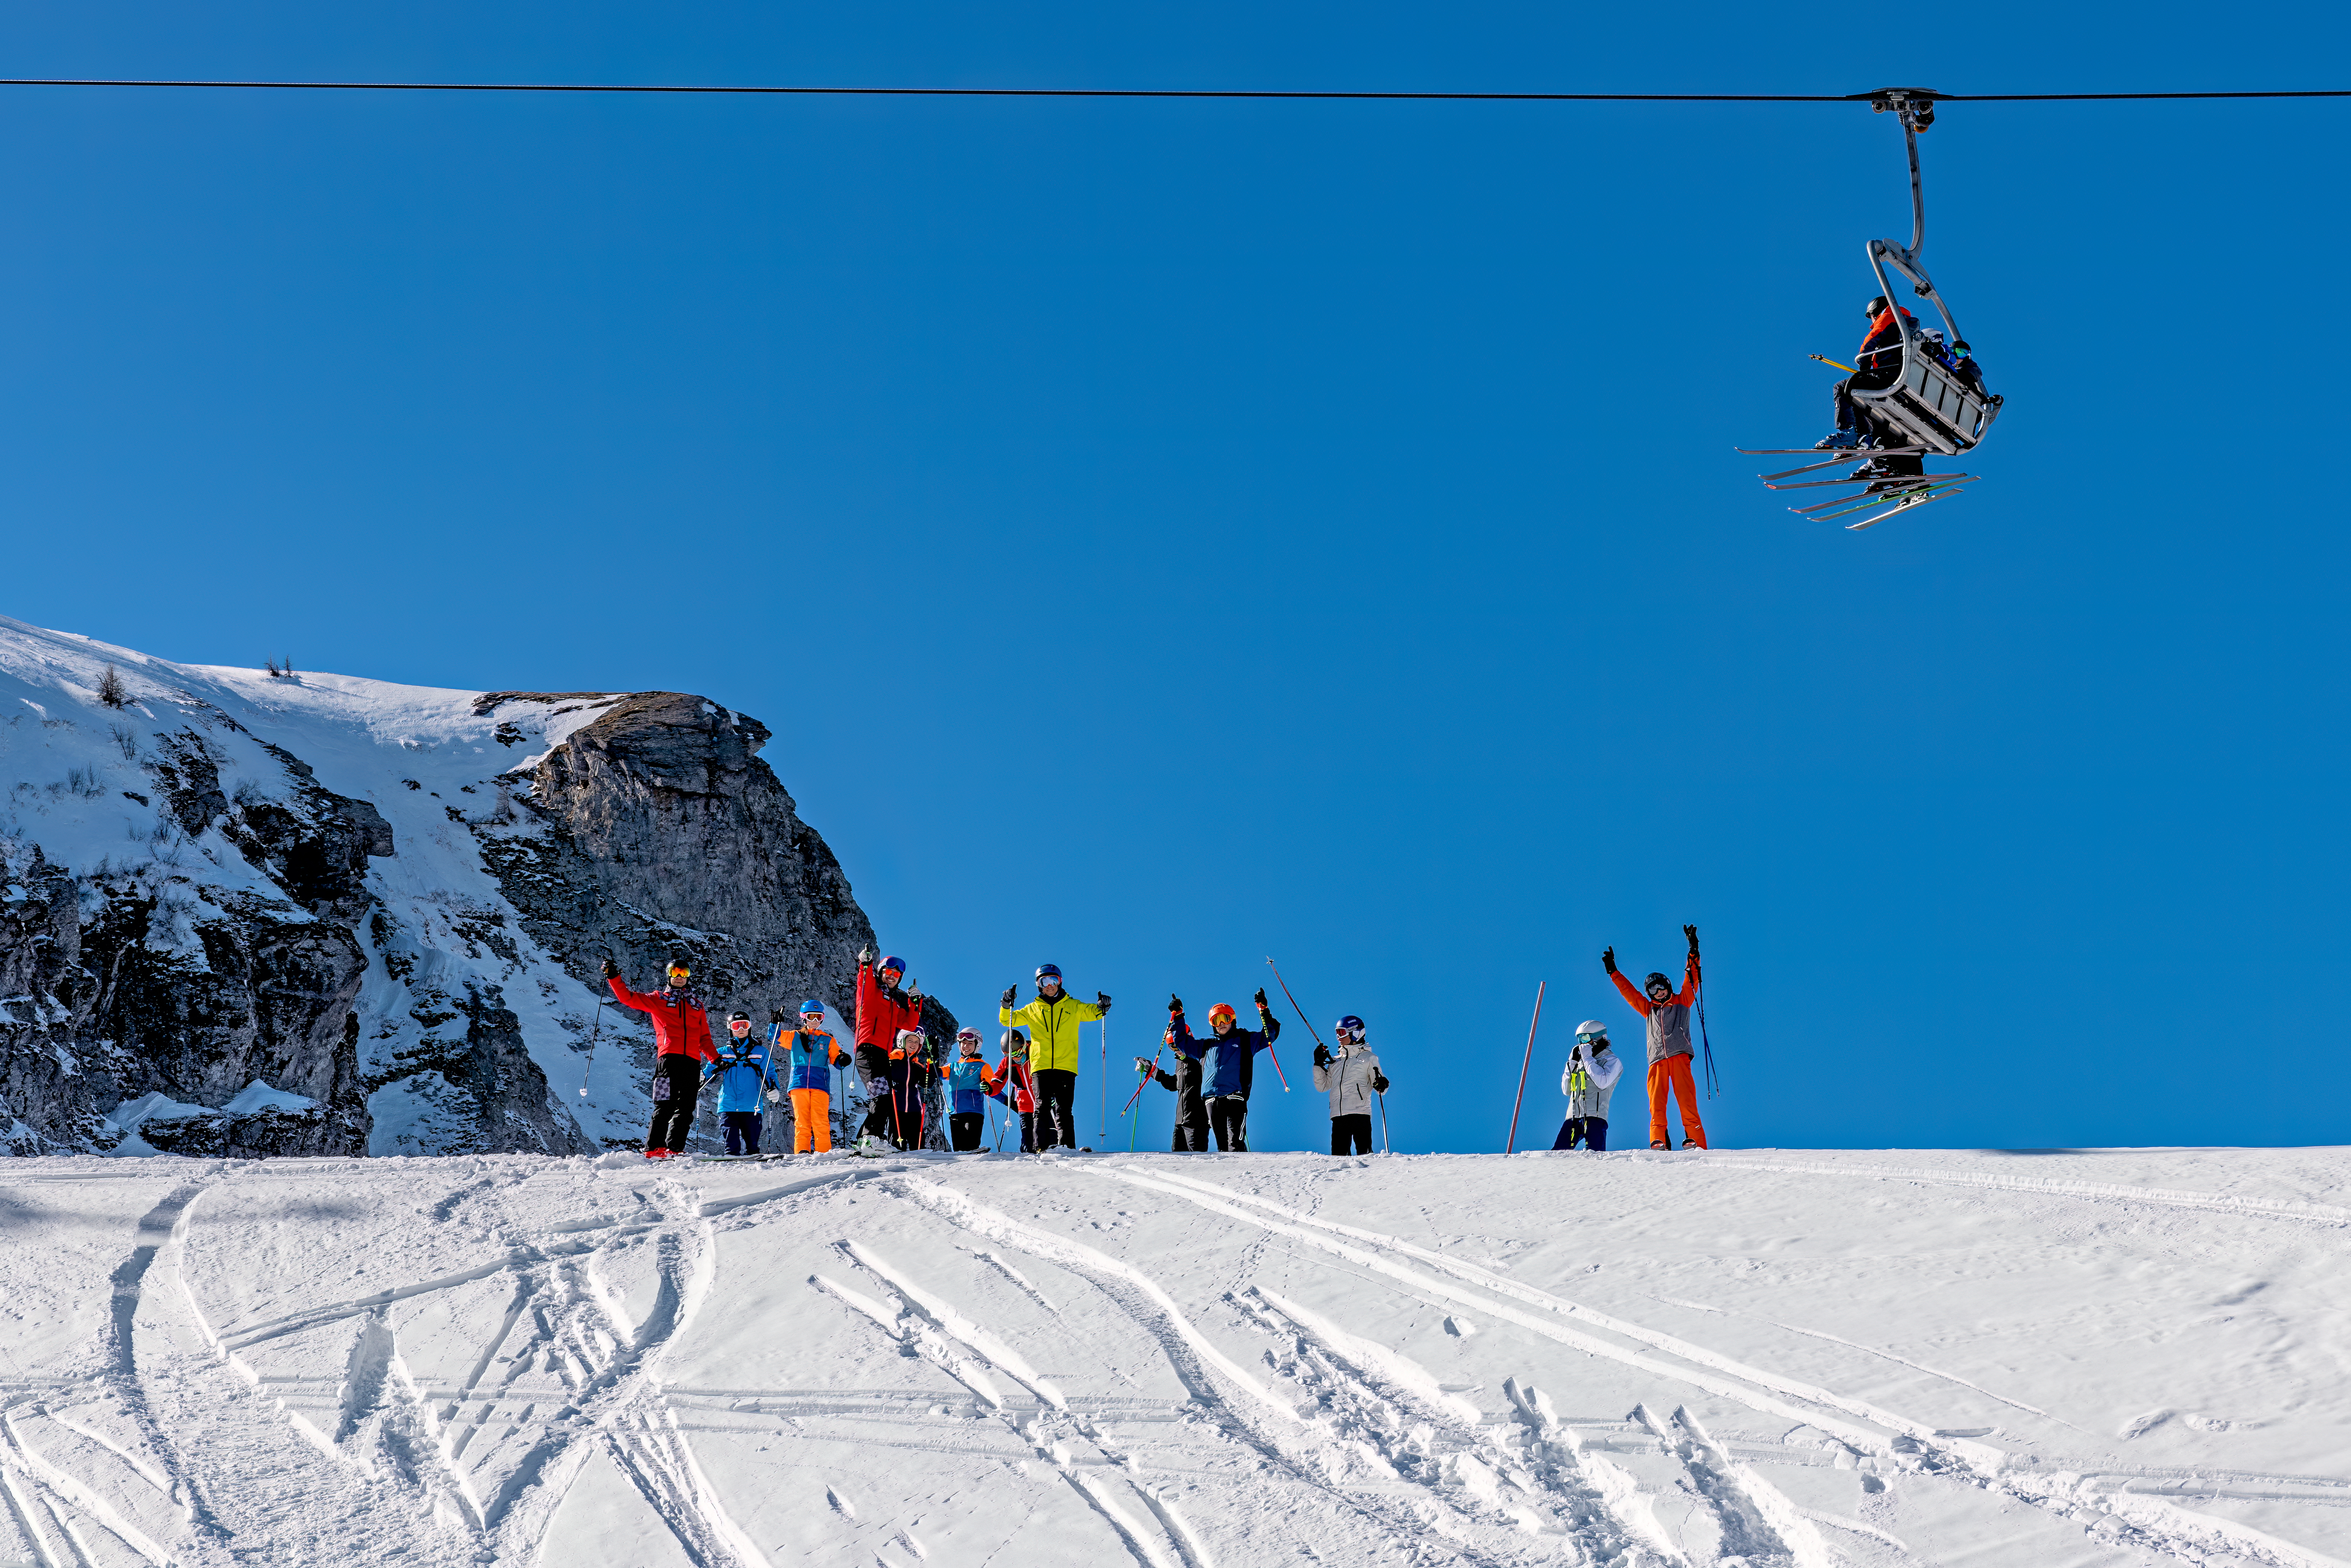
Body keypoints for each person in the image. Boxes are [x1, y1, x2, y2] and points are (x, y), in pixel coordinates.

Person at [1603, 925, 1708, 1150]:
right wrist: (1614, 972)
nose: (1658, 993)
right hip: (1657, 1060)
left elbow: (1692, 979)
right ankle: (1659, 1139)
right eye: (1652, 991)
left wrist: (1693, 951)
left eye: (1661, 988)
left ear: (1668, 986)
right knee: (1657, 1102)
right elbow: (1630, 993)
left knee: (1686, 1100)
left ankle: (1696, 1141)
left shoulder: (1682, 1001)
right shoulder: (1648, 1009)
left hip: (1679, 1056)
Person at [603, 955, 717, 1159]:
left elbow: (704, 1038)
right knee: (665, 1105)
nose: (680, 977)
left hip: (692, 1063)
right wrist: (614, 977)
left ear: (689, 977)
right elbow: (627, 998)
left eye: (684, 973)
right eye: (676, 973)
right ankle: (654, 1148)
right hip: (668, 1061)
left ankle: (675, 1149)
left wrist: (715, 1058)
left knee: (687, 1108)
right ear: (669, 975)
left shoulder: (697, 1006)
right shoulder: (658, 999)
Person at [999, 964, 1110, 1152]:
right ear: (1039, 985)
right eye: (1045, 982)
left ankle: (1067, 1148)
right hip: (1041, 1066)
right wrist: (1006, 1004)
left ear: (1060, 982)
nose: (1050, 985)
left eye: (1053, 980)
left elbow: (1094, 1013)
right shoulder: (1033, 1009)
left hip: (1066, 1065)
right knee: (1041, 1107)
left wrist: (1102, 1006)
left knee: (1064, 1110)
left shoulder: (1072, 1006)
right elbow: (1008, 1020)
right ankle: (1040, 1148)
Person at [1166, 991, 1280, 1153]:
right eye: (1216, 1020)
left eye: (1225, 1018)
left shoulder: (1246, 1040)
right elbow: (1182, 1042)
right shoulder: (1206, 1046)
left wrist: (1264, 1010)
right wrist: (1178, 1016)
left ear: (1232, 1019)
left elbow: (1270, 1034)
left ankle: (1246, 1174)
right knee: (1223, 1147)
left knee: (1235, 1143)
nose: (1221, 1024)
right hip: (1212, 1101)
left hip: (1235, 1098)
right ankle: (1228, 1177)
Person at [853, 949, 925, 1147]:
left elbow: (910, 1024)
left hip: (883, 1055)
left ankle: (868, 1141)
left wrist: (914, 1003)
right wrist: (865, 964)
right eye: (889, 973)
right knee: (882, 1096)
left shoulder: (894, 1004)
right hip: (867, 1051)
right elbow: (864, 981)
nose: (892, 977)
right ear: (881, 973)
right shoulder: (871, 993)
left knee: (887, 1098)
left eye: (897, 975)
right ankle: (868, 1140)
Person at [773, 1000, 851, 1153]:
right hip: (799, 1083)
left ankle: (824, 1152)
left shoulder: (828, 1039)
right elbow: (775, 1037)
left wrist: (842, 1059)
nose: (815, 1021)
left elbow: (836, 1059)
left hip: (820, 1085)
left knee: (821, 1121)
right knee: (802, 1121)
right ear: (804, 1018)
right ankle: (802, 1152)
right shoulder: (795, 1037)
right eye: (811, 1017)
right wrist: (775, 1024)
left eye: (819, 1017)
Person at [1312, 1015, 1389, 1156]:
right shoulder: (1336, 1062)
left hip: (1360, 1113)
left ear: (1355, 1033)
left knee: (1365, 1154)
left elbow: (1380, 1085)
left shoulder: (1368, 1058)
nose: (1338, 1037)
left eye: (1342, 1032)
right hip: (1338, 1115)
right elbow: (1322, 1086)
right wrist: (1318, 1064)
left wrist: (1381, 1084)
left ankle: (1371, 1176)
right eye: (1337, 1033)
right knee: (1339, 1156)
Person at [704, 1011, 773, 1155]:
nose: (741, 1030)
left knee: (753, 1146)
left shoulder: (761, 1052)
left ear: (750, 1028)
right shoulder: (722, 1053)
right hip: (728, 1105)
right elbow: (709, 1071)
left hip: (752, 1106)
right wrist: (702, 1076)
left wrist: (773, 1088)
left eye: (744, 1026)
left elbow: (769, 1073)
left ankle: (756, 1171)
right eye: (736, 1026)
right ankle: (731, 1168)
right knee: (731, 1147)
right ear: (730, 1029)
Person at [1552, 1020, 1624, 1151]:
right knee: (1559, 1153)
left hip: (1595, 1116)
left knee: (1595, 1154)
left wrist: (1587, 1058)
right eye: (1579, 1039)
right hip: (1573, 1117)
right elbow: (1566, 1090)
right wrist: (1572, 1063)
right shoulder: (1580, 1063)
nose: (1582, 1043)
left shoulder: (1612, 1061)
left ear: (1598, 1038)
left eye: (1585, 1038)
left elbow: (1602, 1082)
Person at [1135, 1037, 1210, 1152]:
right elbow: (1174, 1084)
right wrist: (1152, 1070)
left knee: (1197, 1158)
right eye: (1172, 1047)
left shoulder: (1200, 1058)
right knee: (1177, 1157)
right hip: (1180, 1121)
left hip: (1197, 1120)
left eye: (1179, 1045)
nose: (1177, 1049)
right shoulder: (1180, 1063)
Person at [882, 1027, 938, 1150]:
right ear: (902, 1041)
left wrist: (934, 1059)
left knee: (918, 1147)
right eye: (910, 1040)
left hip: (915, 1111)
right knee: (896, 1147)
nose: (914, 1044)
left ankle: (920, 1168)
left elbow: (928, 1083)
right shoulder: (892, 1060)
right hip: (897, 1109)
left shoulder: (917, 1066)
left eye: (917, 1042)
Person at [985, 1030, 1040, 1153]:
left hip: (1043, 1104)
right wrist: (990, 1089)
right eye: (1011, 1055)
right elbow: (997, 1082)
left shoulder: (1036, 1052)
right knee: (1028, 1142)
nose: (1017, 1057)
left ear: (1025, 1046)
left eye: (1019, 1053)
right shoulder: (1008, 1063)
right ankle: (1030, 1163)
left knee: (1046, 1138)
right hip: (1025, 1107)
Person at [943, 1027, 993, 1151]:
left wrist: (986, 1086)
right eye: (963, 1043)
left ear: (977, 1045)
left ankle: (974, 1154)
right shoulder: (953, 1066)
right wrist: (932, 1059)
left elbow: (988, 1083)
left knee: (971, 1143)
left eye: (970, 1043)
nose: (966, 1046)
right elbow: (938, 1072)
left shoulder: (983, 1066)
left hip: (973, 1111)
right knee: (959, 1148)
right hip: (955, 1112)